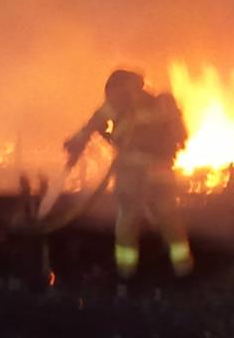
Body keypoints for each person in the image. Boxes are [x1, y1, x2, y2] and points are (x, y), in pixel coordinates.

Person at [64, 69, 193, 279]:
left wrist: (76, 141)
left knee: (129, 221)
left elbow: (92, 124)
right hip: (157, 173)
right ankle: (183, 270)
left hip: (134, 172)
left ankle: (127, 274)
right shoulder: (159, 103)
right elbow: (180, 137)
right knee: (168, 220)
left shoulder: (121, 103)